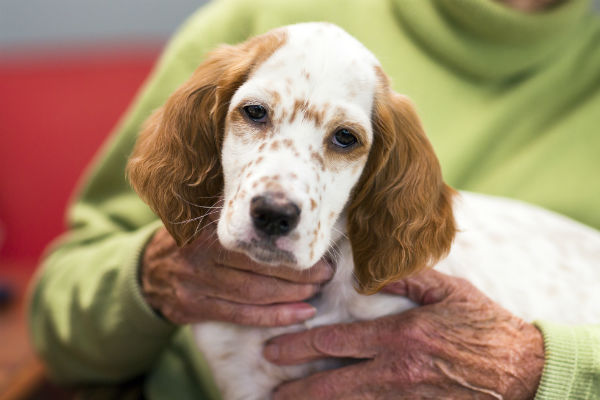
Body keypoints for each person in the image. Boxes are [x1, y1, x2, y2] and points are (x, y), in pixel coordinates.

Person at [29, 0, 600, 398]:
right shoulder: (249, 18)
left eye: (344, 139)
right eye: (255, 114)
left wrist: (547, 371)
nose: (281, 198)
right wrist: (150, 273)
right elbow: (58, 316)